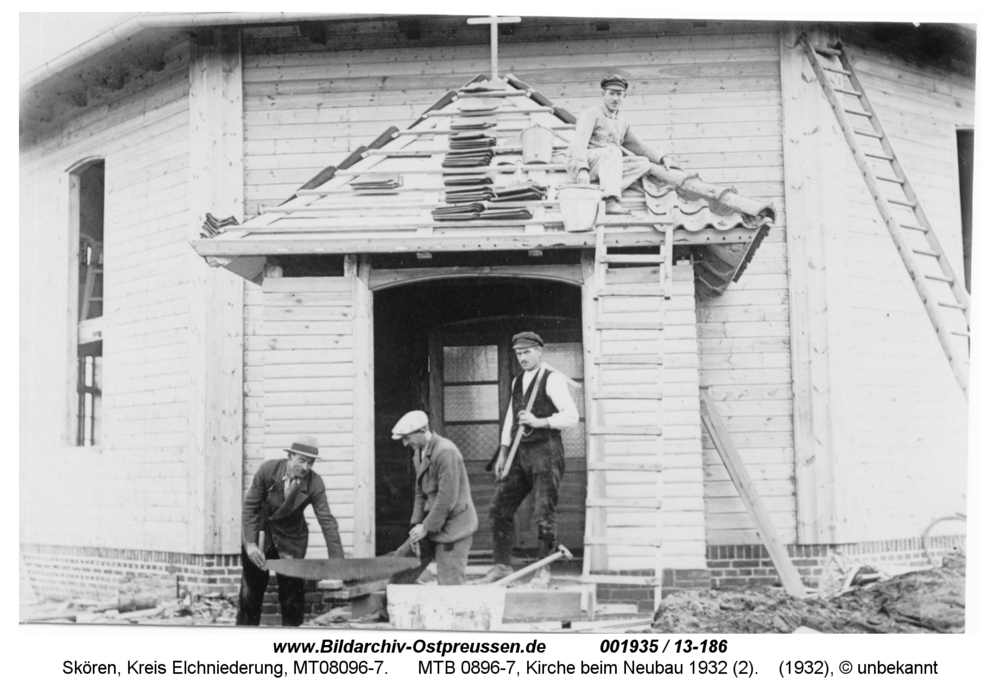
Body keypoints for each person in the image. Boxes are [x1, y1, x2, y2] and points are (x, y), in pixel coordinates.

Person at [477, 332, 580, 585]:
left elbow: (572, 416)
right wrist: (503, 451)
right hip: (519, 453)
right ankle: (502, 566)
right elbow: (512, 419)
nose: (523, 358)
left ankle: (543, 569)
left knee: (543, 512)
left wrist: (540, 421)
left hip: (546, 452)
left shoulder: (552, 379)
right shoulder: (517, 381)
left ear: (539, 351)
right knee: (499, 508)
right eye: (519, 354)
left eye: (527, 352)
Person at [237, 435, 344, 626]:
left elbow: (327, 521)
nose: (305, 467)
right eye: (301, 460)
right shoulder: (268, 470)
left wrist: (336, 562)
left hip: (292, 539)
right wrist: (251, 544)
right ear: (290, 456)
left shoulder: (314, 483)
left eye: (310, 463)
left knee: (292, 596)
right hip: (261, 534)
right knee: (251, 593)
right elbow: (250, 507)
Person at [568, 74, 682, 215]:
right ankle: (610, 201)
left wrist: (662, 158)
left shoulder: (622, 122)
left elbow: (639, 146)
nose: (615, 99)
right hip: (585, 161)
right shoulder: (591, 114)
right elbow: (578, 144)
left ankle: (605, 189)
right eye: (611, 94)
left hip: (606, 164)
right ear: (603, 94)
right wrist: (582, 169)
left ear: (624, 96)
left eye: (619, 94)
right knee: (613, 151)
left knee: (643, 163)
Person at [390, 410, 478, 585]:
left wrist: (426, 527)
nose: (405, 443)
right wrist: (416, 525)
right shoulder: (419, 453)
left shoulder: (446, 452)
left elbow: (447, 498)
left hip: (454, 528)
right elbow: (420, 491)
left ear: (422, 431)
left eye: (407, 438)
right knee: (402, 562)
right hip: (432, 523)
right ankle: (388, 611)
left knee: (449, 585)